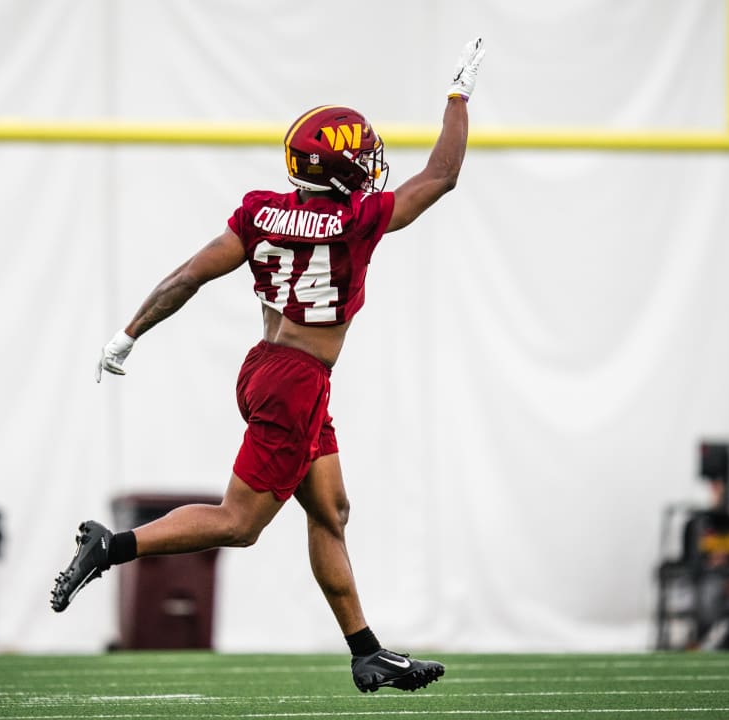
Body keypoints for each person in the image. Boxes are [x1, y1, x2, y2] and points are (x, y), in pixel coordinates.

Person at [51, 38, 487, 693]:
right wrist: (458, 97)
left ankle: (366, 651)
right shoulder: (356, 220)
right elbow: (441, 175)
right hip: (298, 383)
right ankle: (108, 546)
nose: (371, 166)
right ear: (341, 171)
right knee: (240, 523)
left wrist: (128, 332)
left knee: (331, 510)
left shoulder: (262, 212)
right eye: (361, 158)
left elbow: (188, 276)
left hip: (266, 367)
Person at [680, 475, 729, 651]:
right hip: (701, 588)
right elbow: (688, 563)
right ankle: (697, 644)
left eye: (724, 489)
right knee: (709, 600)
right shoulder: (697, 524)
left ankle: (726, 647)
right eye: (716, 488)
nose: (720, 494)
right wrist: (710, 563)